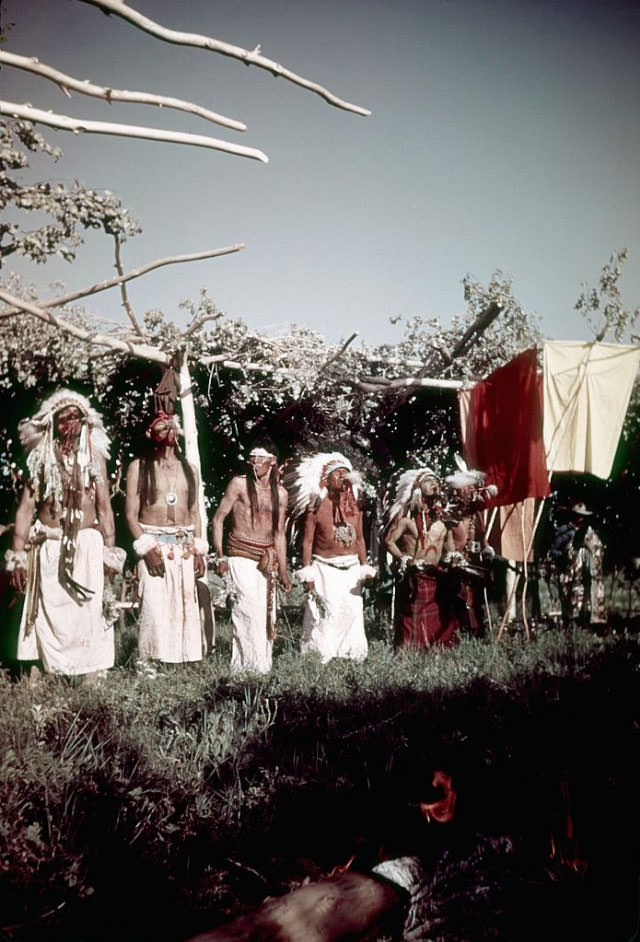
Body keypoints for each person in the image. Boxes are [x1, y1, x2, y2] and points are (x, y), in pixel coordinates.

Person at [4, 389, 124, 679]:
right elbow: (25, 509)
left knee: (87, 611)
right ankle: (43, 673)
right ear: (52, 424)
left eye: (76, 418)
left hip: (87, 545)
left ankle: (89, 675)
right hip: (50, 546)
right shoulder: (40, 458)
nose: (71, 423)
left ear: (86, 423)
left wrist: (110, 551)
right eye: (64, 418)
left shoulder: (94, 457)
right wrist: (18, 555)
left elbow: (104, 508)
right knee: (47, 611)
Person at [125, 411, 208, 670]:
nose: (167, 431)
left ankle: (181, 662)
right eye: (160, 428)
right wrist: (146, 548)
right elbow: (130, 515)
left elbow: (195, 513)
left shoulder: (190, 469)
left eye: (170, 426)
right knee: (153, 605)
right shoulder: (139, 466)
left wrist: (198, 550)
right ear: (151, 435)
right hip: (154, 543)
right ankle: (148, 664)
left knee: (183, 604)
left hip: (183, 545)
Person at [285, 452, 376, 663]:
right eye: (338, 473)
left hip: (351, 568)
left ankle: (351, 655)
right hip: (324, 568)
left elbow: (360, 539)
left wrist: (364, 566)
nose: (343, 477)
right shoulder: (317, 506)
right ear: (326, 479)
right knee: (323, 614)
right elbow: (307, 541)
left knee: (352, 612)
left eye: (346, 473)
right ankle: (318, 656)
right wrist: (307, 574)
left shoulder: (355, 507)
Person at [211, 446, 291, 674]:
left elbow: (279, 534)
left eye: (260, 458)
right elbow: (218, 519)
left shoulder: (281, 493)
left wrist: (283, 571)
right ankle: (243, 669)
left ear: (272, 461)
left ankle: (261, 668)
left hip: (266, 561)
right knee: (247, 611)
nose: (254, 461)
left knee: (266, 615)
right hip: (241, 557)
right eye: (251, 457)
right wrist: (219, 556)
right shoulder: (239, 484)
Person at [383, 468, 458, 648]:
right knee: (411, 617)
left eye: (436, 481)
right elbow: (388, 541)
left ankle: (437, 645)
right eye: (428, 481)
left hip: (436, 577)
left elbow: (449, 548)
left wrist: (454, 559)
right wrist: (404, 559)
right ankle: (410, 650)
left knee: (441, 615)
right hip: (414, 576)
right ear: (417, 488)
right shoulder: (406, 521)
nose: (435, 484)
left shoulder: (443, 523)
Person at [442, 456, 497, 636]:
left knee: (475, 600)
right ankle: (457, 631)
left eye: (463, 490)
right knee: (458, 598)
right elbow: (448, 541)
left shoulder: (476, 514)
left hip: (472, 564)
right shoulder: (449, 515)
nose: (459, 495)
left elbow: (482, 537)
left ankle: (476, 631)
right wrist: (452, 558)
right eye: (457, 491)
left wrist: (486, 548)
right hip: (455, 567)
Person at [550, 502, 607, 629]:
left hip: (584, 574)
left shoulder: (588, 531)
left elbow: (597, 549)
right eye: (577, 515)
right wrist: (566, 555)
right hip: (568, 572)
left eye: (582, 516)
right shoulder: (565, 531)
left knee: (585, 596)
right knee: (568, 598)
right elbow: (554, 550)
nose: (580, 518)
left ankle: (588, 621)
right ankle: (570, 625)